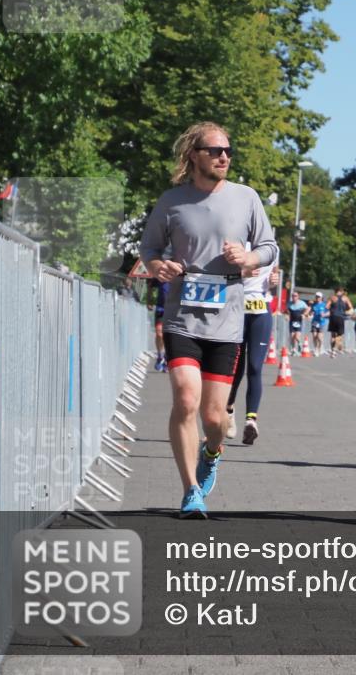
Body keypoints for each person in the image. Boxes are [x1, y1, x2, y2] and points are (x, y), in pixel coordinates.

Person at [139, 121, 277, 518]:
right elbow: (149, 248)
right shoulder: (172, 201)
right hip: (183, 318)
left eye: (228, 151)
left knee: (215, 418)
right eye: (215, 150)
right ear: (194, 155)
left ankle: (212, 452)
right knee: (185, 398)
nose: (224, 157)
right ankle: (190, 491)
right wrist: (158, 265)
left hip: (227, 322)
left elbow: (269, 246)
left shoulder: (246, 198)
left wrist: (249, 259)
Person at [225, 259, 280, 445]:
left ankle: (251, 420)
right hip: (236, 306)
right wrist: (241, 274)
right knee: (236, 366)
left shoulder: (272, 247)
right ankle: (228, 410)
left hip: (260, 308)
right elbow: (219, 275)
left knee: (255, 366)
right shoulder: (236, 241)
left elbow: (274, 276)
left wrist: (274, 281)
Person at [146, 278, 171, 372]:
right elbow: (150, 287)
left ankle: (167, 358)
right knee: (159, 333)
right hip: (161, 309)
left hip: (174, 310)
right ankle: (160, 356)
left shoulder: (181, 274)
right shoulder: (161, 274)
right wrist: (149, 301)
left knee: (169, 336)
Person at [328, 287, 353, 356]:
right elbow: (351, 308)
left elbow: (327, 306)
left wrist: (332, 309)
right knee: (339, 335)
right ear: (341, 291)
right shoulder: (345, 298)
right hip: (340, 317)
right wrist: (346, 312)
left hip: (333, 317)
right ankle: (336, 348)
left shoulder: (332, 297)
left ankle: (332, 350)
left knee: (333, 335)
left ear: (335, 291)